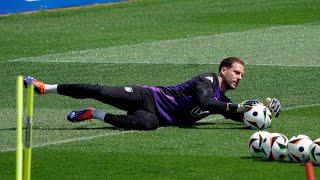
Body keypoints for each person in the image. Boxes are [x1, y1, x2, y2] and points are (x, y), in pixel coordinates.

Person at [23, 57, 281, 130]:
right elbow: (205, 101)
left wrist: (265, 112)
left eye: (242, 76)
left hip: (154, 115)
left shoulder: (222, 101)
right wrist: (237, 107)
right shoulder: (208, 79)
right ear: (223, 70)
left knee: (147, 125)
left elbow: (239, 117)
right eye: (237, 72)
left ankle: (94, 114)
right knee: (99, 90)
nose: (239, 78)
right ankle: (45, 87)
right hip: (147, 97)